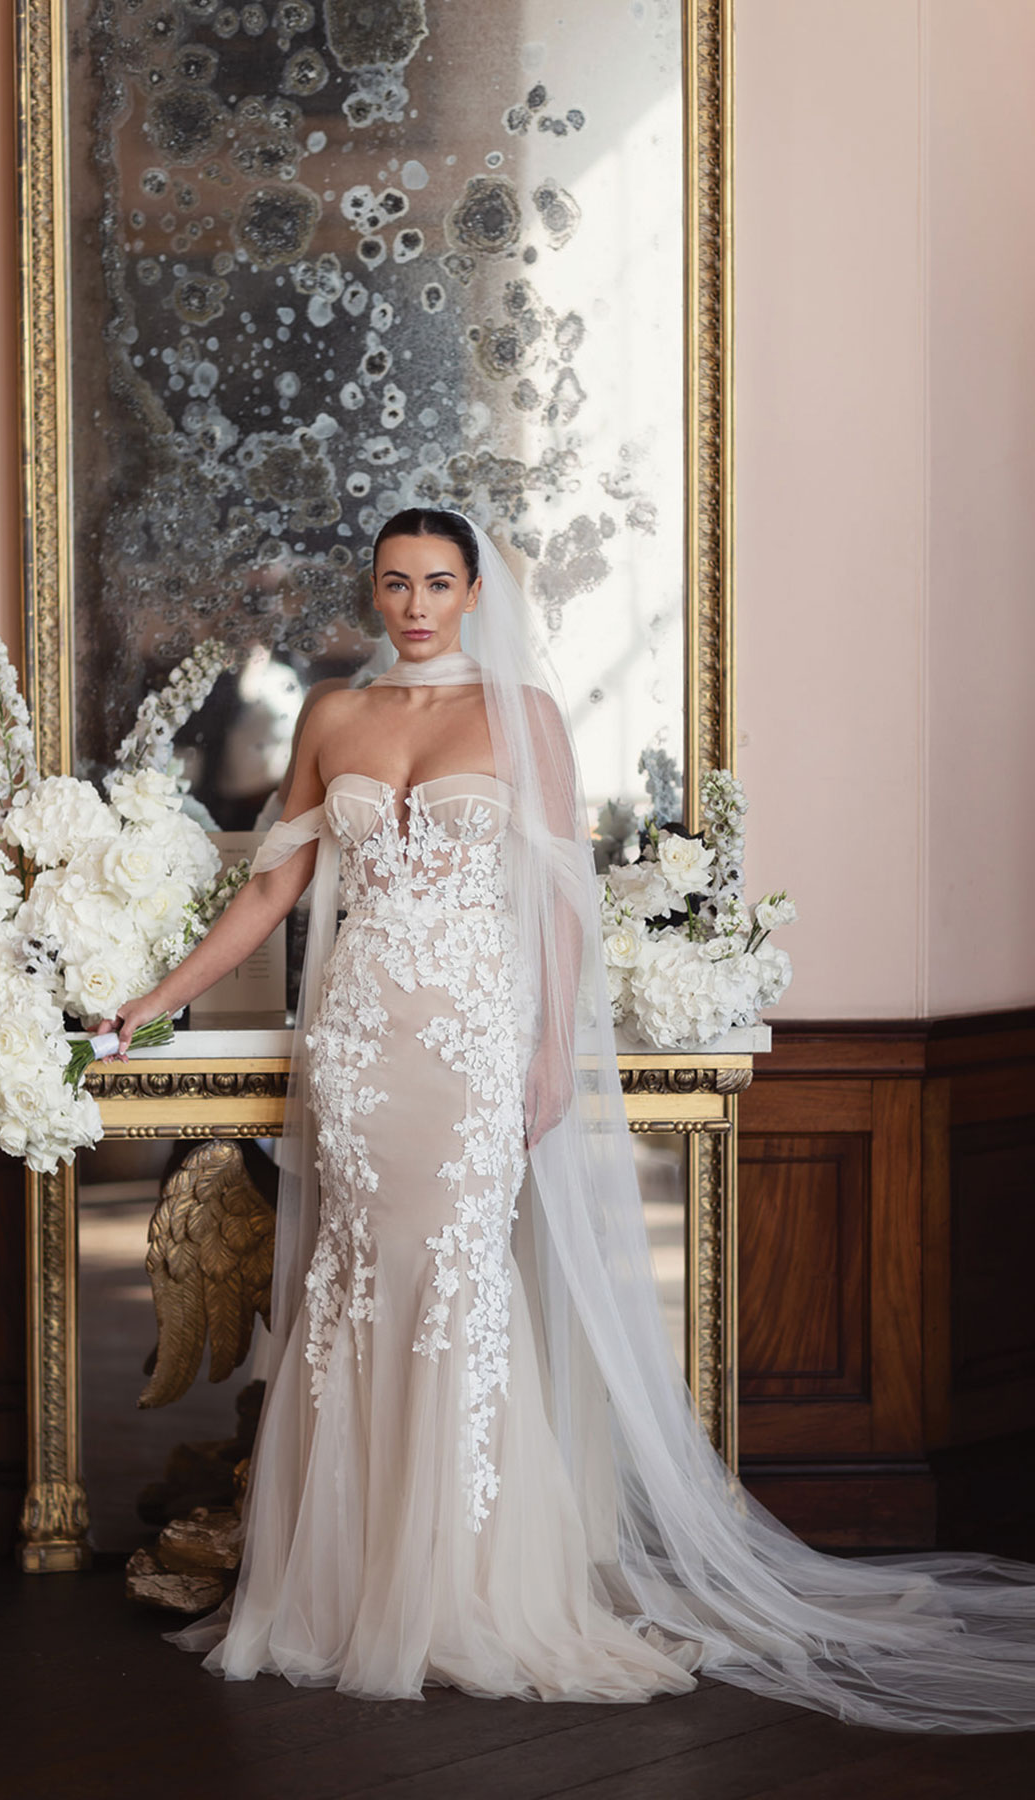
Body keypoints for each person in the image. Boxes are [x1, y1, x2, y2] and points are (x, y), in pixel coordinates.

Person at [101, 508, 1035, 1727]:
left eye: (439, 581)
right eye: (396, 584)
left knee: (457, 1290)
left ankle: (472, 1586)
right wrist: (152, 1001)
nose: (417, 604)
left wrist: (547, 1052)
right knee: (354, 1287)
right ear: (372, 596)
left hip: (472, 1046)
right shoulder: (337, 719)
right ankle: (345, 1586)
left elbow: (557, 906)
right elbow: (276, 885)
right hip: (362, 1046)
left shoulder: (524, 715)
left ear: (476, 588)